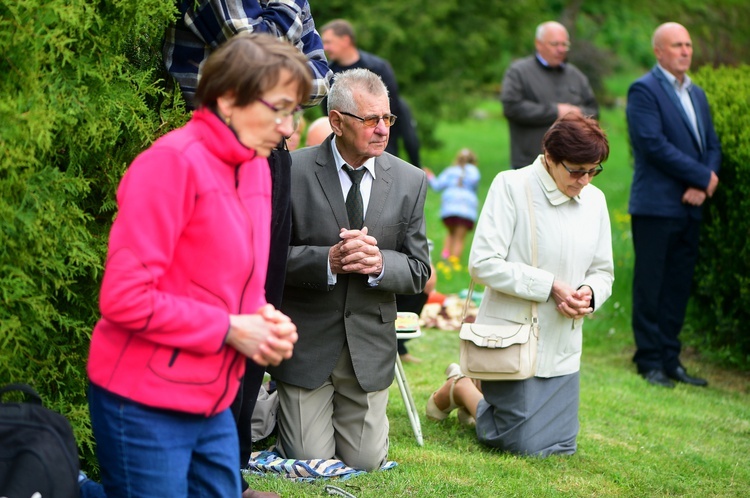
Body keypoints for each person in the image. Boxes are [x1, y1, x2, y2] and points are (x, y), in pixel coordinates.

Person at [85, 34, 307, 497]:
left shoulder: (256, 169)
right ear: (228, 98)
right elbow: (124, 299)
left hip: (213, 398)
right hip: (142, 400)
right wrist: (228, 328)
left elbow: (243, 285)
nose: (288, 127)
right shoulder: (169, 165)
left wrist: (262, 320)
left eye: (296, 111)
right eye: (279, 108)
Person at [163, 3, 332, 495]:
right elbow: (257, 57)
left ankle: (229, 468)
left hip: (263, 155)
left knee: (262, 299)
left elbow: (320, 83)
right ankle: (197, 468)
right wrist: (287, 20)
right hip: (213, 146)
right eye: (281, 105)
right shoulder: (174, 166)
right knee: (218, 301)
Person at [267, 68, 431, 471]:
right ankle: (271, 408)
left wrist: (379, 263)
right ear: (337, 122)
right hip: (306, 344)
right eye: (371, 119)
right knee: (308, 460)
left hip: (369, 347)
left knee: (367, 462)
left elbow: (419, 268)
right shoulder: (291, 171)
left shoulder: (410, 180)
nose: (382, 129)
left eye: (387, 119)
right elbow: (267, 260)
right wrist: (327, 260)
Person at [425, 114, 614, 457]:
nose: (585, 180)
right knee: (520, 443)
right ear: (550, 157)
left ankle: (462, 387)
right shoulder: (511, 185)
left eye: (593, 170)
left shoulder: (596, 201)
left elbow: (603, 271)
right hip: (513, 340)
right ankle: (462, 386)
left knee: (561, 447)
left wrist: (590, 293)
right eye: (576, 170)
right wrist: (550, 286)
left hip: (563, 342)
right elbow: (482, 264)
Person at [627, 22, 721, 389]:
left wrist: (704, 182)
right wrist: (702, 177)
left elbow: (711, 145)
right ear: (658, 51)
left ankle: (671, 359)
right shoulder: (643, 90)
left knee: (678, 285)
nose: (685, 51)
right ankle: (648, 360)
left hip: (690, 206)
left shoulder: (696, 93)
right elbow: (652, 144)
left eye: (689, 44)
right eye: (677, 45)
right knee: (651, 286)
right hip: (655, 206)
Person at [500, 21, 599, 169]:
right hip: (529, 164)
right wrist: (555, 112)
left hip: (571, 168)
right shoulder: (519, 72)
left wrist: (576, 115)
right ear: (538, 44)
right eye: (555, 44)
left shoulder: (576, 75)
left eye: (564, 45)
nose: (561, 49)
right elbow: (512, 107)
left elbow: (594, 111)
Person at [320, 19, 419, 165]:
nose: (325, 47)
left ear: (345, 40)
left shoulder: (378, 67)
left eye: (329, 42)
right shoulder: (327, 72)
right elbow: (326, 109)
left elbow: (393, 106)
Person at [425, 148, 481, 263]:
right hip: (466, 211)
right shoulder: (474, 172)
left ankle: (445, 256)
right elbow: (475, 184)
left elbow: (437, 186)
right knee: (459, 238)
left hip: (449, 210)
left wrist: (430, 176)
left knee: (450, 233)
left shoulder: (450, 171)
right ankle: (453, 262)